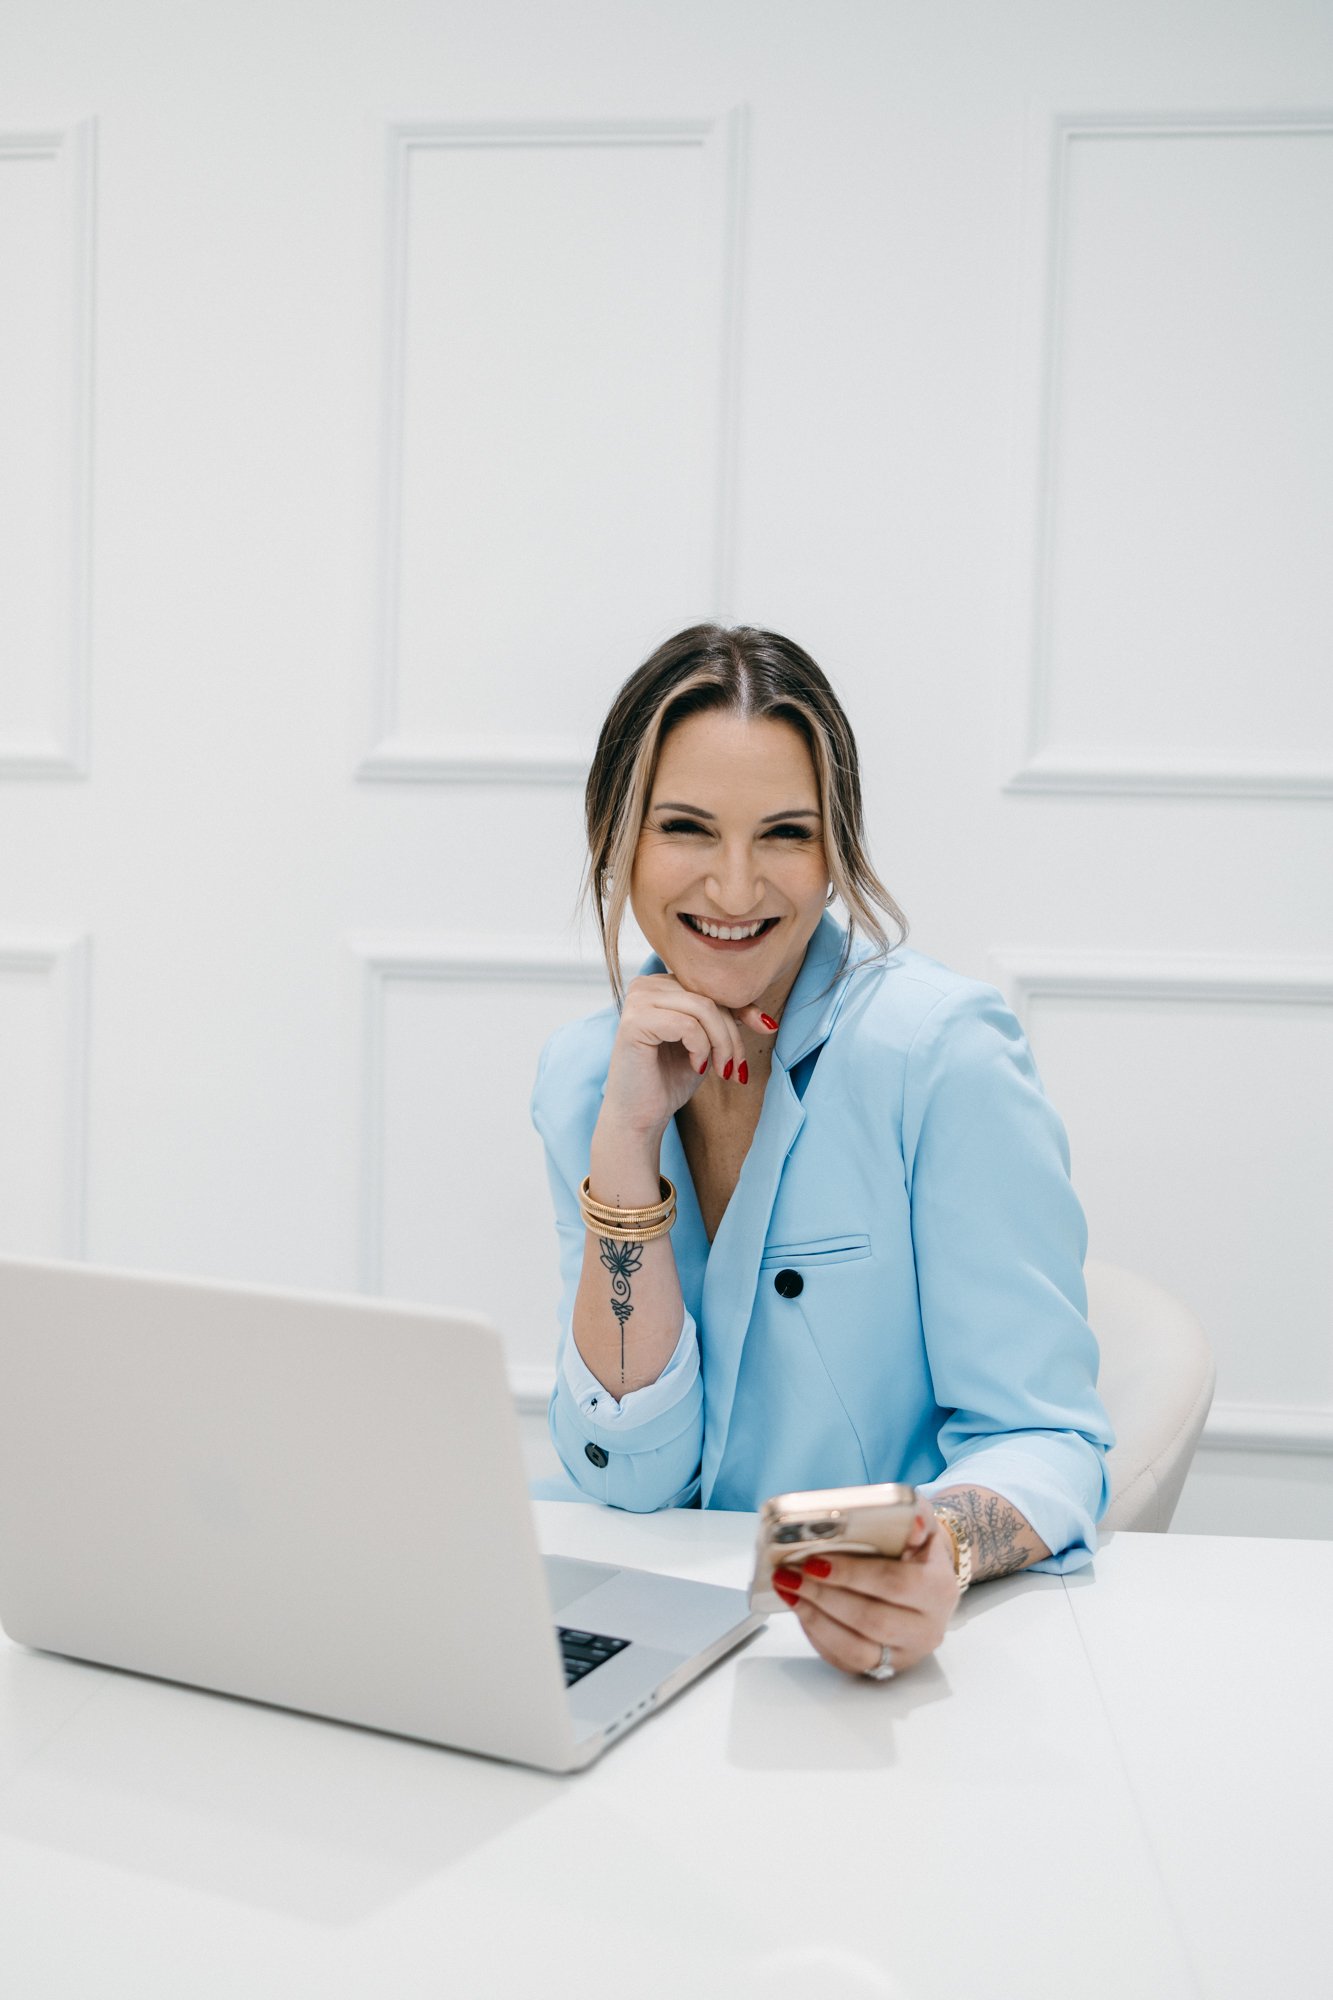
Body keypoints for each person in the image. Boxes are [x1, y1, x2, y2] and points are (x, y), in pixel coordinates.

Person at [531, 624, 1113, 1681]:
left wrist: (935, 1552)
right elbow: (629, 1477)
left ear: (834, 851)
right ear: (616, 839)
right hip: (651, 1622)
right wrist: (626, 1141)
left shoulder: (939, 1053)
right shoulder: (587, 1078)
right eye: (686, 827)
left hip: (863, 1654)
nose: (735, 887)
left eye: (785, 834)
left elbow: (1046, 1437)